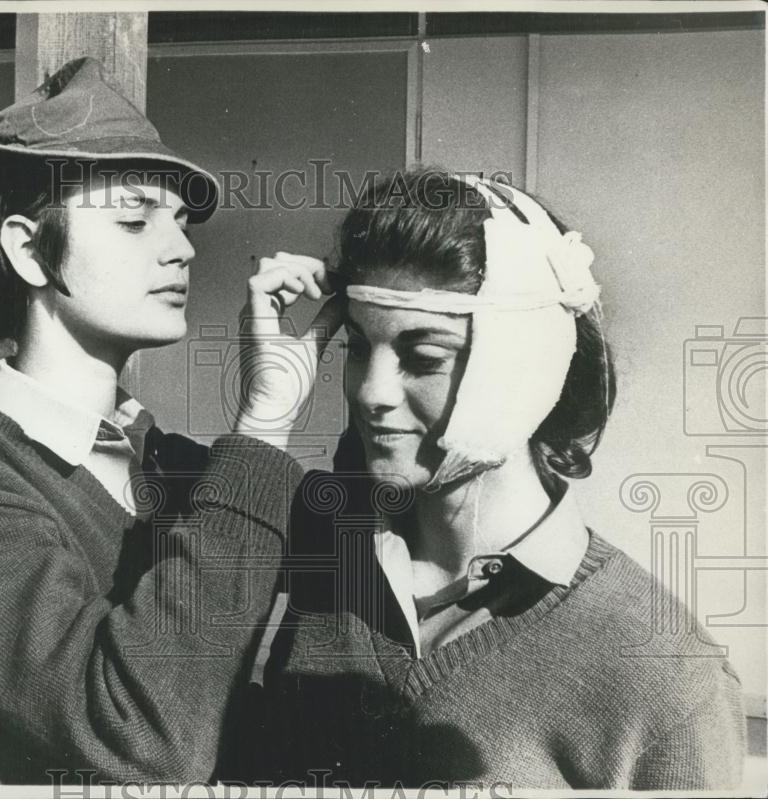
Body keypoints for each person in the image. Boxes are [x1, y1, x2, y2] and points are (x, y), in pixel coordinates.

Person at [0, 57, 341, 784]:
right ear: (27, 249)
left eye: (178, 221)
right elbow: (141, 737)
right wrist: (263, 424)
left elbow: (371, 565)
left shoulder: (179, 471)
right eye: (133, 218)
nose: (181, 247)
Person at [244, 170, 746, 789]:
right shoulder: (319, 549)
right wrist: (262, 422)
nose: (370, 392)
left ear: (527, 369)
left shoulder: (668, 680)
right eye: (357, 348)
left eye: (424, 358)